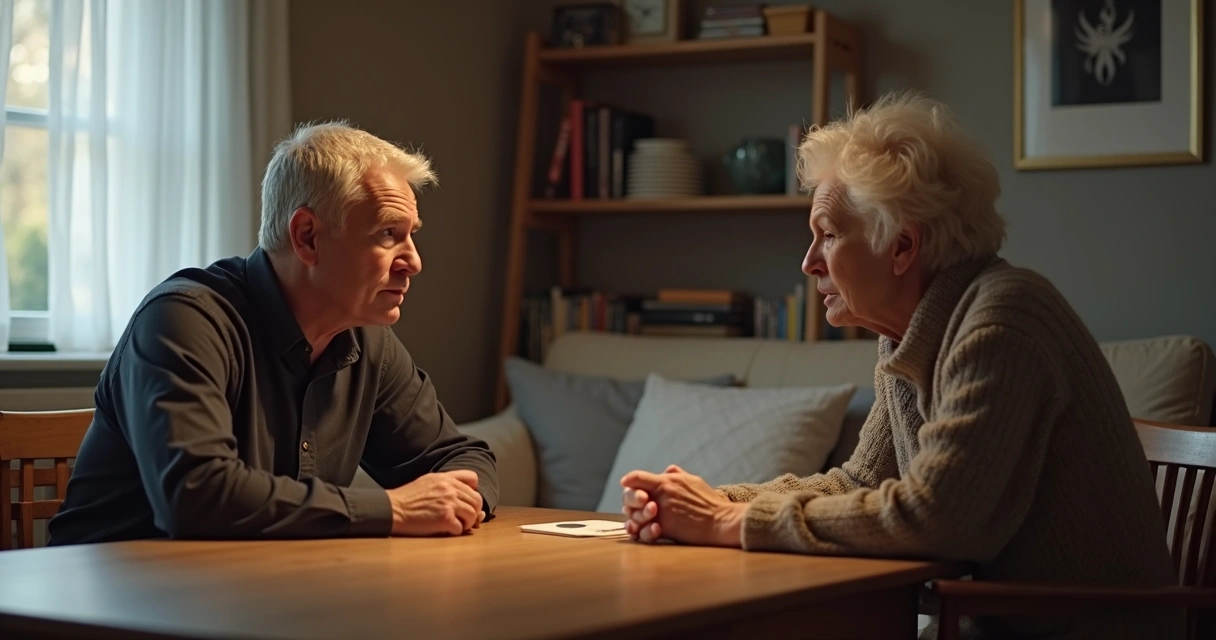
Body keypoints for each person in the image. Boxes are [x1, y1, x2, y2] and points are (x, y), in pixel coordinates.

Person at [617, 92, 1180, 639]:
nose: (809, 262)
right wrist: (715, 499)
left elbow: (938, 518)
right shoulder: (908, 335)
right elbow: (859, 482)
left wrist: (725, 522)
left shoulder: (1003, 322)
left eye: (828, 235)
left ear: (903, 246)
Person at [49, 121, 498, 544]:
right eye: (387, 233)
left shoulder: (364, 340)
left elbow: (460, 457)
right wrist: (393, 510)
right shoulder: (183, 320)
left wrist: (457, 500)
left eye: (410, 235)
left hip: (254, 588)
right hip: (108, 590)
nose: (413, 262)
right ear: (307, 237)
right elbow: (196, 495)